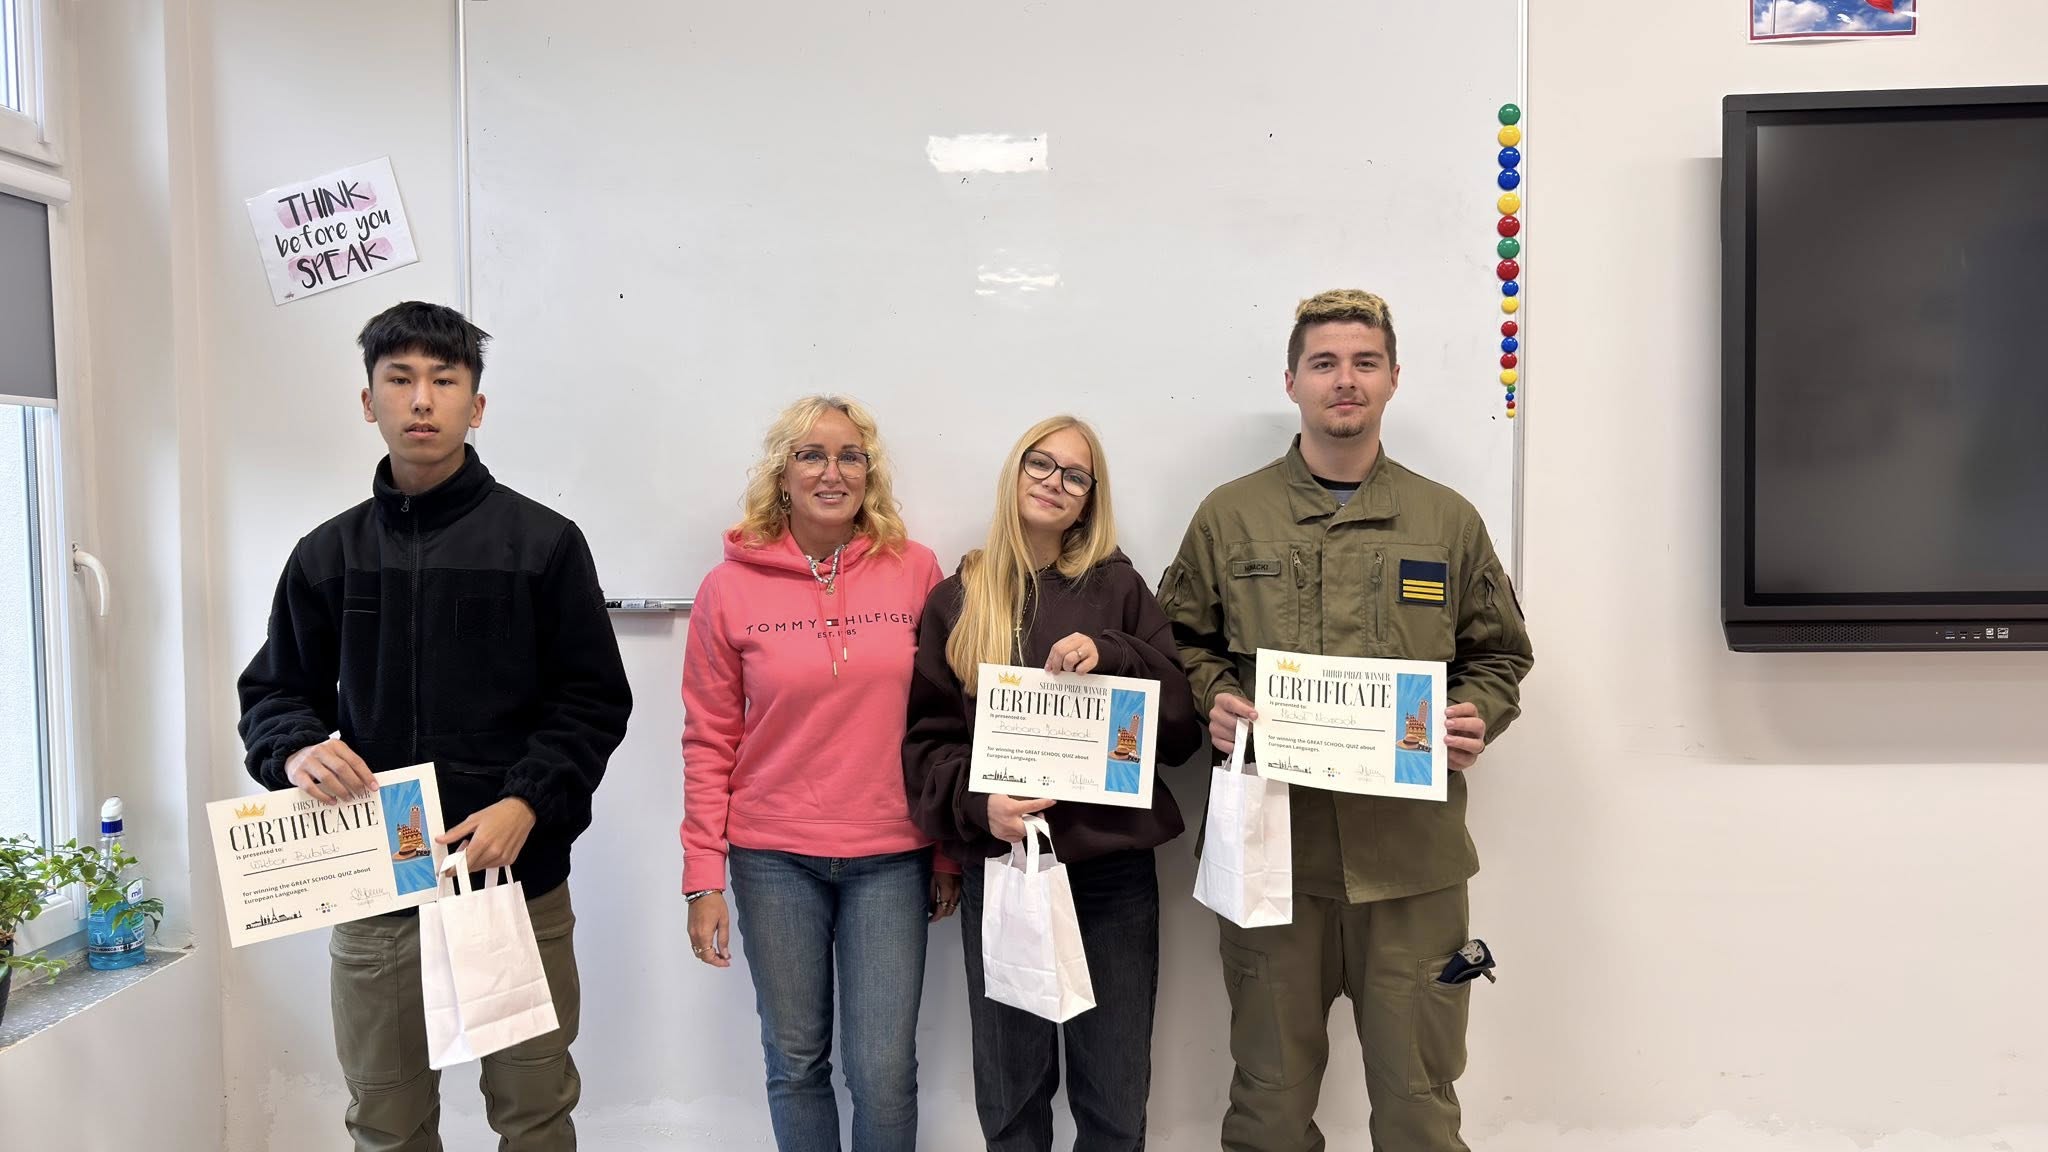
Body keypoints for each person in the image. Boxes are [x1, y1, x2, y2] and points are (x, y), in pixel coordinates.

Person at [237, 300, 633, 1152]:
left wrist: (527, 803)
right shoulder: (327, 555)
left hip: (508, 877)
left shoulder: (543, 544)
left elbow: (592, 700)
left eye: (444, 381)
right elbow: (273, 693)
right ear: (368, 401)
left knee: (533, 1115)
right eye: (400, 379)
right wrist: (296, 750)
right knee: (386, 1121)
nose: (422, 399)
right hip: (379, 872)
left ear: (476, 405)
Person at [1157, 290, 1535, 1152]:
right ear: (1292, 380)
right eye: (1324, 363)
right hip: (1270, 856)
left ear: (1394, 378)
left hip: (1410, 864)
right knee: (1268, 1106)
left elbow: (1500, 655)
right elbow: (1176, 642)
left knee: (1419, 1106)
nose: (1345, 380)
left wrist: (1475, 715)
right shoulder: (1230, 516)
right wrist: (1213, 697)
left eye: (1365, 362)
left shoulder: (1446, 521)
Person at [902, 415, 1205, 1152]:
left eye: (1075, 475)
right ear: (1015, 471)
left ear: (1090, 498)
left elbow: (1181, 735)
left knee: (1115, 1101)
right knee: (1011, 1098)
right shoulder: (958, 598)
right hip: (1005, 869)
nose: (1054, 482)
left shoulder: (1122, 590)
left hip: (1111, 876)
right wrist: (981, 805)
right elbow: (928, 744)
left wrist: (1117, 656)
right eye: (1041, 464)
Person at [681, 394, 959, 1152]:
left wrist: (946, 850)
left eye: (849, 456)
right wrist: (703, 877)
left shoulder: (916, 570)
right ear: (782, 474)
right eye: (811, 455)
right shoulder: (727, 588)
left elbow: (943, 721)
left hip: (891, 854)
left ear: (869, 473)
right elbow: (708, 738)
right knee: (796, 1062)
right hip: (772, 857)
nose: (831, 472)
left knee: (882, 1072)